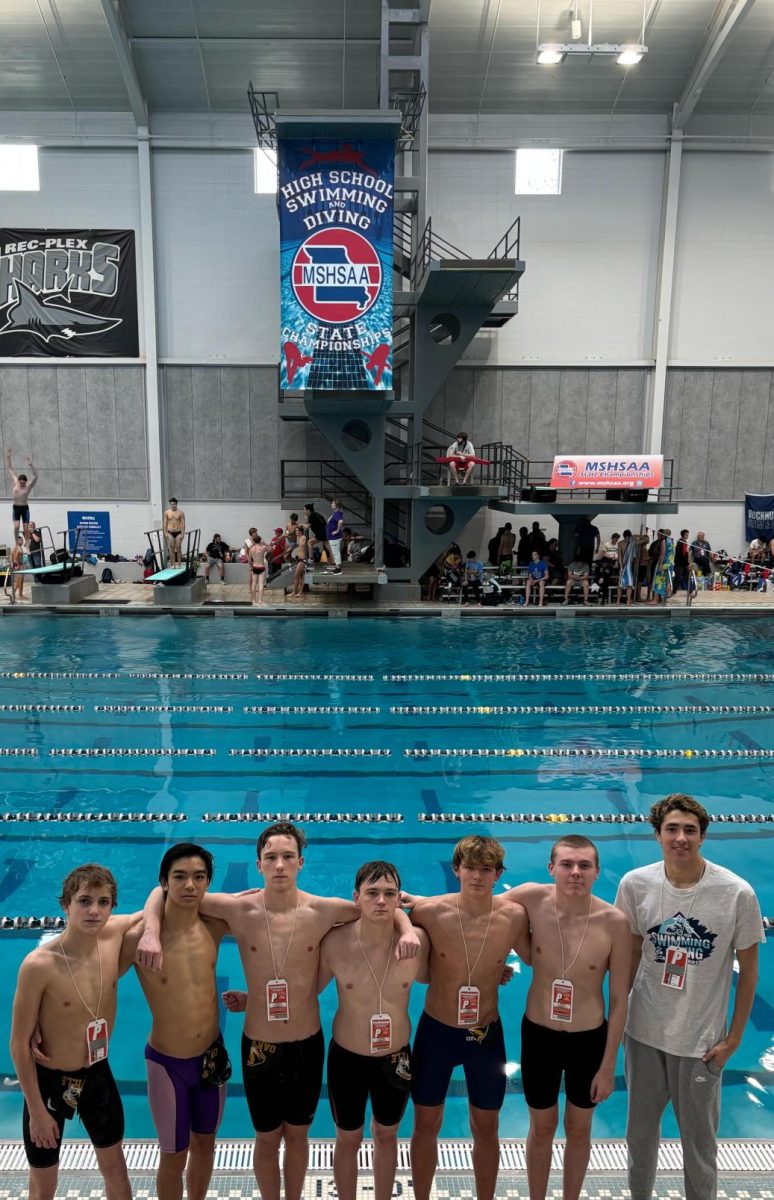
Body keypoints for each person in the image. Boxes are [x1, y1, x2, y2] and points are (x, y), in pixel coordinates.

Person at [139, 823, 419, 1200]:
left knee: (299, 1136)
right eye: (271, 857)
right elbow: (165, 891)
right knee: (267, 1138)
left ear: (301, 862)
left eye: (288, 856)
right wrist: (151, 931)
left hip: (306, 1043)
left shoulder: (322, 910)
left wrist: (406, 929)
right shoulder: (238, 909)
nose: (280, 865)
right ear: (259, 865)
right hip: (259, 1046)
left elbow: (378, 905)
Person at [615, 794, 764, 1200]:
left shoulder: (736, 893)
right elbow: (627, 957)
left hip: (700, 1044)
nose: (680, 838)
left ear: (702, 837)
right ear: (657, 834)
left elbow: (749, 973)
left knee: (700, 1147)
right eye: (672, 829)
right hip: (643, 1034)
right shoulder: (635, 885)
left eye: (690, 830)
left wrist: (733, 1040)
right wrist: (615, 1024)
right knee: (639, 1140)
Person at [501, 837, 630, 1200]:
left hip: (588, 1039)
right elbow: (477, 909)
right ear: (551, 869)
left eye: (584, 866)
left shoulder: (614, 922)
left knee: (578, 1130)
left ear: (597, 872)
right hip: (539, 1035)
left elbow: (620, 1000)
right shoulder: (531, 898)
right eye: (568, 864)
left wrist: (608, 1066)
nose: (576, 873)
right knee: (541, 1129)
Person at [404, 836, 529, 1200]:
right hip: (437, 1032)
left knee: (487, 1128)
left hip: (485, 1035)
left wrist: (499, 968)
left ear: (498, 874)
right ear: (456, 870)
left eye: (486, 869)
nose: (477, 876)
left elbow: (538, 955)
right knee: (426, 1124)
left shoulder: (513, 916)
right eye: (470, 867)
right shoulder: (429, 911)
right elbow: (388, 913)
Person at [10, 864, 142, 1200]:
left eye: (104, 901)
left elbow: (158, 902)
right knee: (44, 1184)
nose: (94, 910)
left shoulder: (112, 937)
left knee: (117, 1172)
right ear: (65, 906)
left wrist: (152, 931)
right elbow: (18, 1044)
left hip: (97, 1074)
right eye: (84, 901)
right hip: (47, 1082)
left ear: (113, 907)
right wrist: (37, 1112)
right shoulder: (39, 965)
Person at [317, 862, 430, 1200]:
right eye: (372, 893)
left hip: (395, 1059)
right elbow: (305, 991)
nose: (381, 901)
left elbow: (449, 975)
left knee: (386, 1135)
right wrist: (253, 999)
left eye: (389, 894)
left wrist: (491, 976)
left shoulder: (417, 943)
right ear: (357, 898)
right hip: (347, 1057)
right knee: (348, 1138)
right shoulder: (335, 942)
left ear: (399, 899)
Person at [125, 845, 229, 1200]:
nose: (189, 885)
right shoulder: (139, 939)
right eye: (179, 877)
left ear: (207, 884)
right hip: (168, 1065)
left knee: (206, 1145)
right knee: (173, 1156)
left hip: (211, 1059)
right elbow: (95, 974)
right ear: (164, 882)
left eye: (199, 877)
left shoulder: (214, 926)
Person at [6, 448, 38, 544]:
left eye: (24, 483)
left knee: (25, 528)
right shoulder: (15, 482)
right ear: (18, 481)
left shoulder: (28, 487)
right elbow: (10, 469)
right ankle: (16, 541)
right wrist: (8, 457)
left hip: (25, 508)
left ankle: (27, 545)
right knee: (16, 526)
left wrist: (31, 465)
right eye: (21, 483)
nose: (22, 484)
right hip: (16, 507)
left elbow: (36, 476)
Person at [650, 528, 674, 605]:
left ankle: (655, 600)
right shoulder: (672, 541)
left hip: (664, 564)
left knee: (658, 581)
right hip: (670, 564)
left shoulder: (664, 541)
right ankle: (665, 599)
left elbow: (662, 553)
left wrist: (660, 564)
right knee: (667, 582)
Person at [247, 533, 269, 606]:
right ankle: (260, 600)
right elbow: (272, 550)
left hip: (254, 567)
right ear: (260, 540)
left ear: (253, 541)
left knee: (253, 584)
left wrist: (251, 567)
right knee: (261, 584)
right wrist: (265, 543)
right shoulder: (263, 547)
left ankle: (253, 600)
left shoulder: (251, 549)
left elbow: (249, 560)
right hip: (261, 567)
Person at [289, 525, 309, 602]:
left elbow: (305, 546)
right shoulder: (299, 538)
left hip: (303, 560)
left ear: (301, 531)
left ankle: (295, 592)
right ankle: (300, 592)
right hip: (300, 559)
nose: (296, 532)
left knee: (296, 576)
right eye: (296, 531)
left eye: (298, 531)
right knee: (301, 577)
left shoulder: (304, 537)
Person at [164, 499, 186, 567]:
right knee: (172, 549)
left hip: (178, 532)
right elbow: (165, 523)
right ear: (170, 504)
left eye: (174, 504)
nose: (173, 505)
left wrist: (182, 533)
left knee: (178, 548)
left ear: (176, 504)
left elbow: (183, 523)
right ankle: (173, 564)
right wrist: (165, 532)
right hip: (170, 532)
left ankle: (179, 564)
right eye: (171, 504)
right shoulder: (167, 512)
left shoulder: (180, 513)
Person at [326, 499, 344, 574]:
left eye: (333, 503)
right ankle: (337, 567)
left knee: (336, 552)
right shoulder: (335, 513)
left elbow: (341, 521)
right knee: (335, 552)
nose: (331, 504)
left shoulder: (337, 513)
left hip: (335, 537)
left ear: (336, 505)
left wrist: (337, 530)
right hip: (333, 537)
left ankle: (338, 569)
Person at [11, 535, 26, 602]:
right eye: (20, 540)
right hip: (18, 565)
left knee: (19, 581)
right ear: (17, 541)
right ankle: (20, 595)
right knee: (20, 581)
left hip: (17, 565)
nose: (22, 541)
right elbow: (15, 557)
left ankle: (13, 593)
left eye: (22, 540)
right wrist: (17, 565)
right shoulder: (18, 548)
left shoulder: (17, 547)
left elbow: (12, 556)